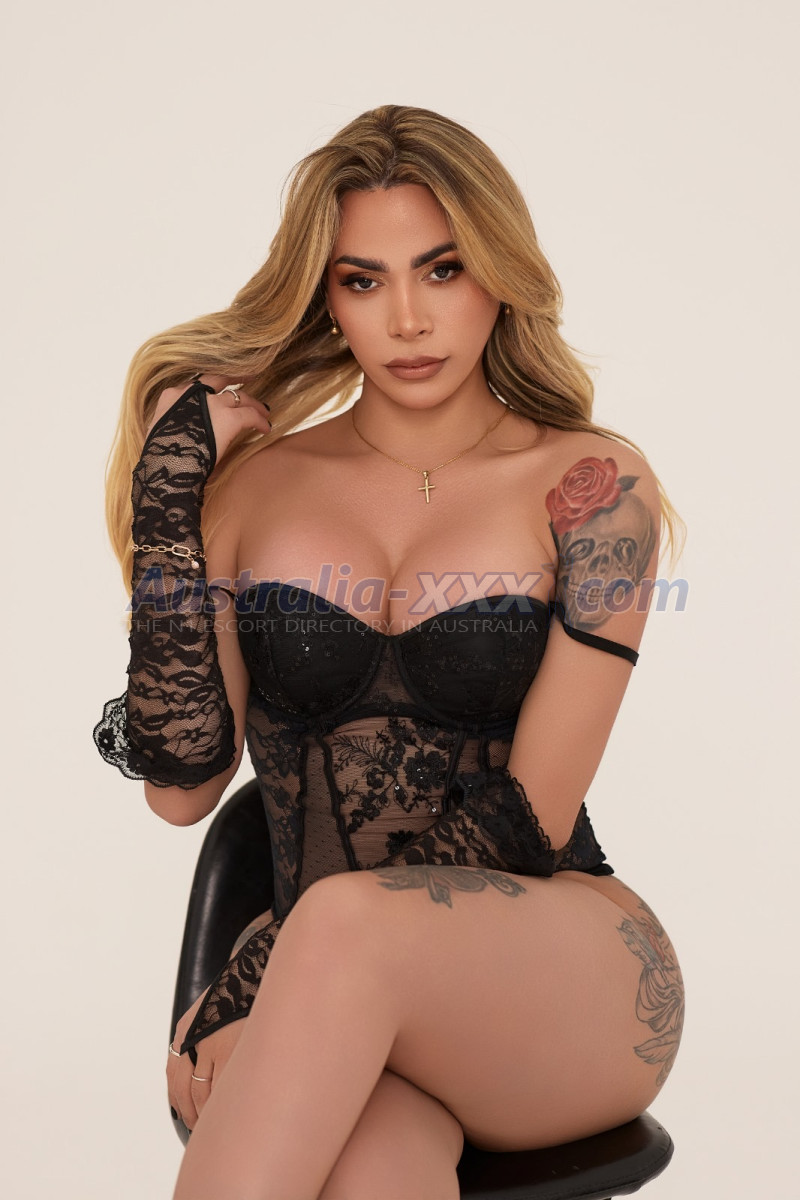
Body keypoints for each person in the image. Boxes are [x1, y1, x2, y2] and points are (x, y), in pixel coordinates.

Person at [92, 104, 686, 1200]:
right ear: (325, 298)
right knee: (374, 1171)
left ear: (498, 274)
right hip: (342, 988)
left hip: (560, 974)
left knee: (343, 922)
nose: (408, 319)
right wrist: (168, 492)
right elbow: (181, 791)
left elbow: (528, 816)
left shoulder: (589, 488)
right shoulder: (255, 490)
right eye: (363, 281)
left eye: (442, 270)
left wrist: (264, 967)